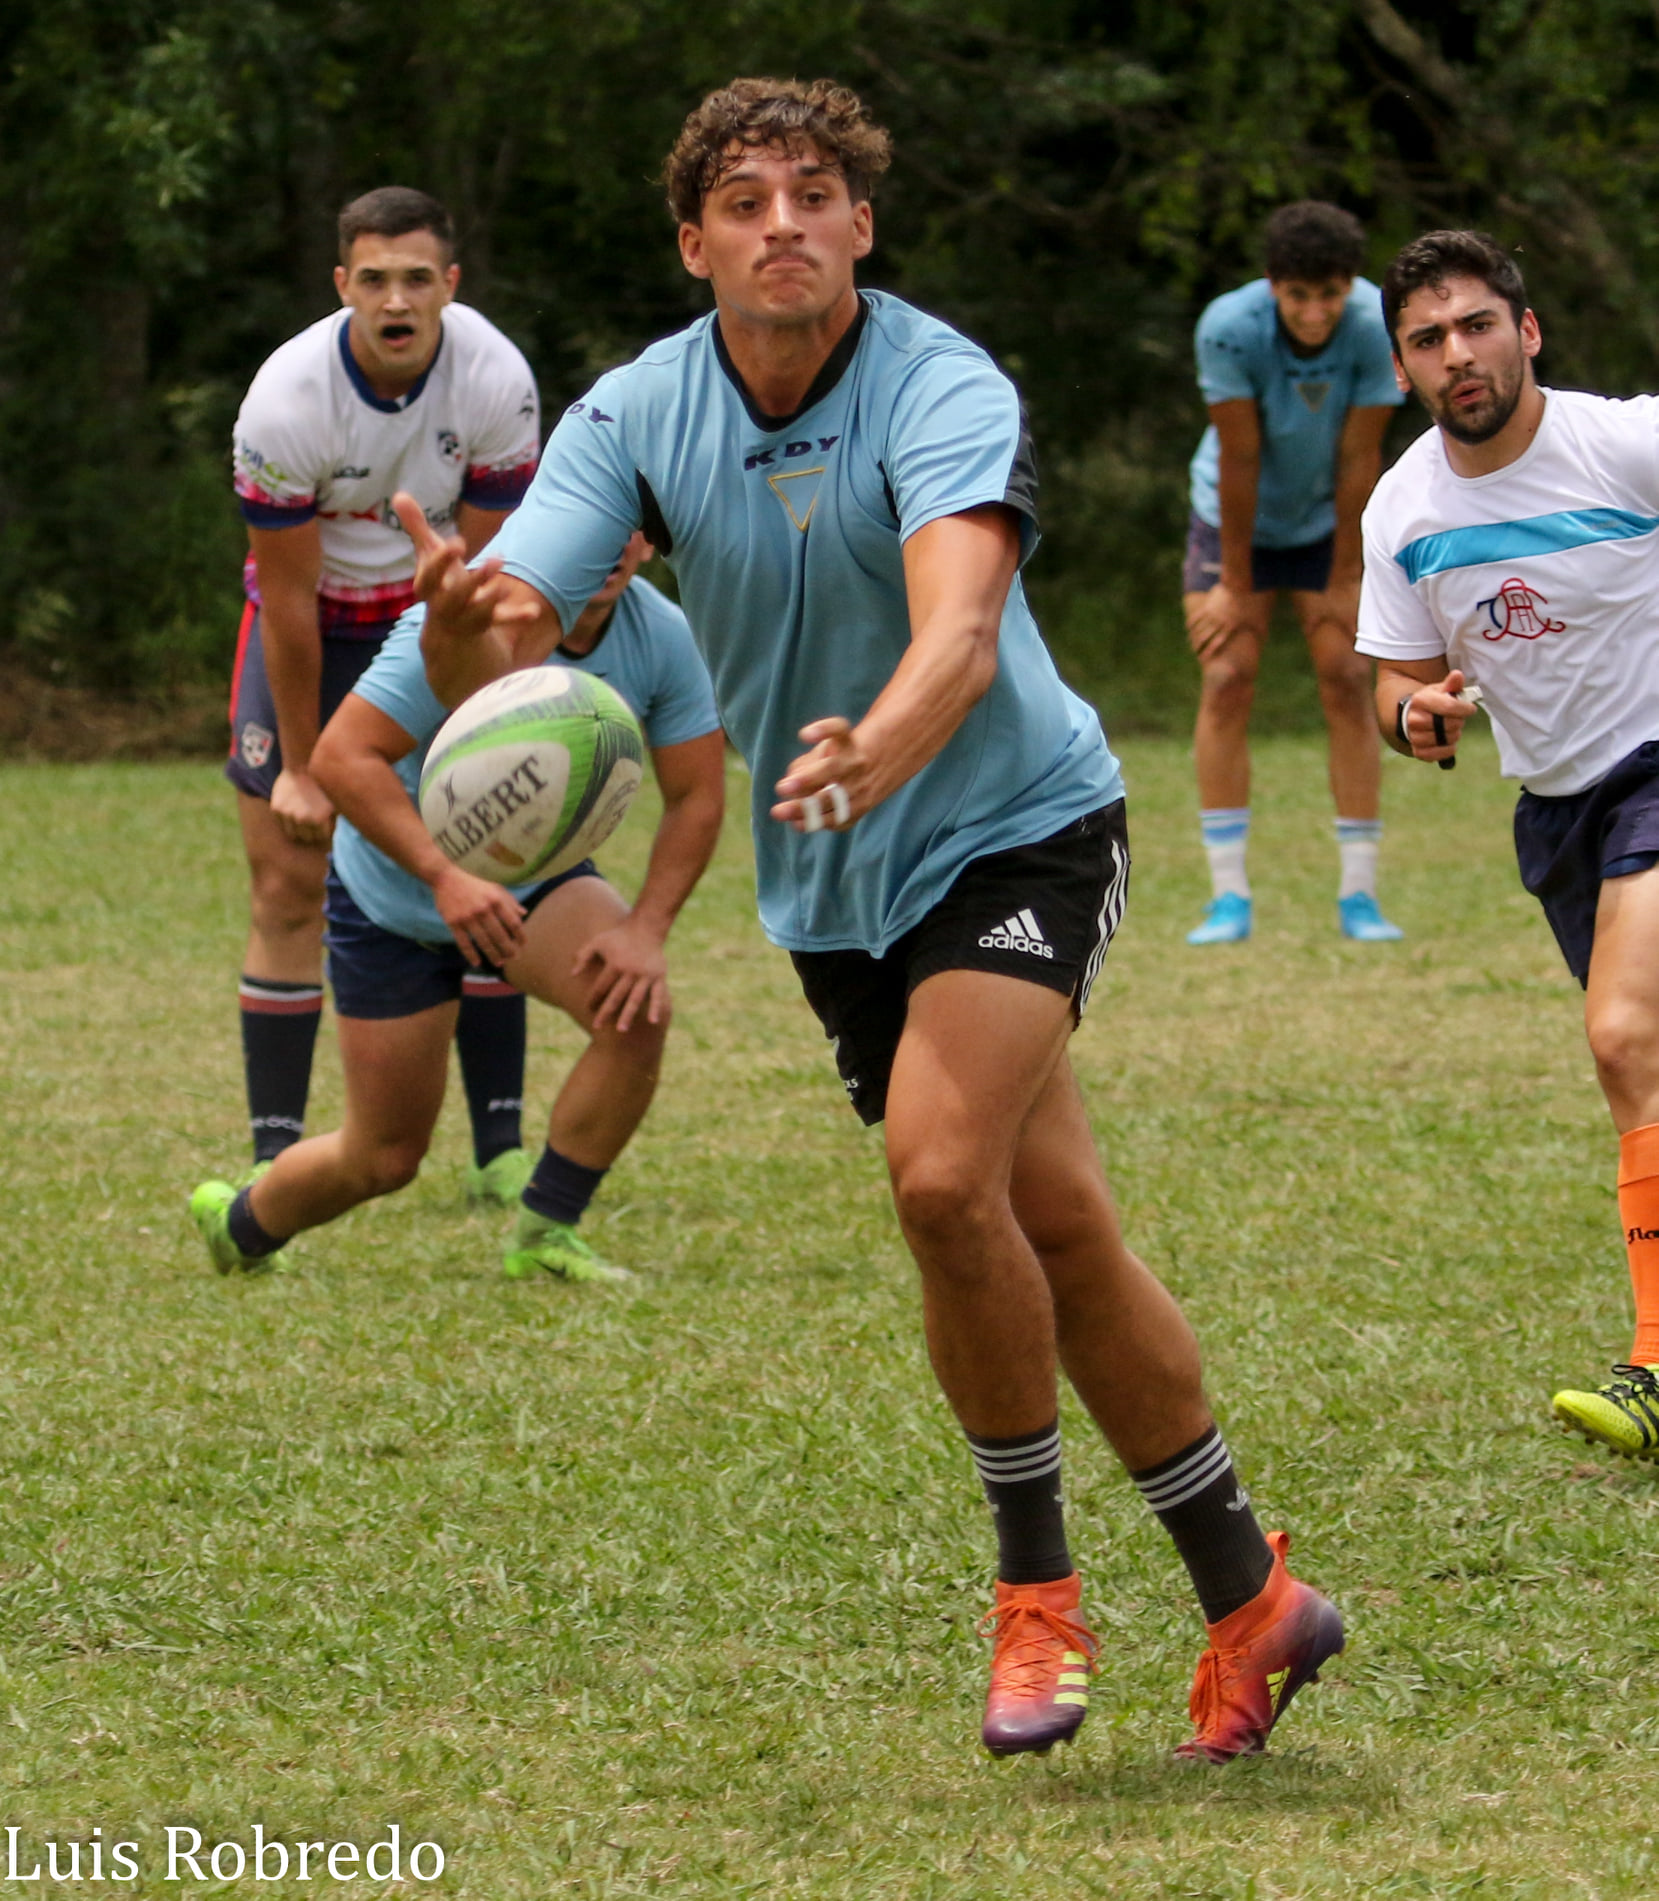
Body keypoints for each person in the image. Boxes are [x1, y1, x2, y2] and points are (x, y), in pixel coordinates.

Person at [396, 76, 1343, 1762]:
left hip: (1015, 827)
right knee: (1053, 1224)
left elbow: (958, 631)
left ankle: (1032, 1594)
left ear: (859, 225)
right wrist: (463, 622)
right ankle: (1250, 1596)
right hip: (832, 887)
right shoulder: (636, 412)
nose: (782, 223)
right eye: (743, 201)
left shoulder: (937, 381)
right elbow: (515, 627)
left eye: (812, 194)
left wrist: (878, 747)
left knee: (937, 1176)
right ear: (692, 244)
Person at [190, 533, 725, 1281]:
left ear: (648, 539)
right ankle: (241, 1224)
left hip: (527, 884)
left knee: (632, 1011)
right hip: (393, 895)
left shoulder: (663, 633)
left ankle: (544, 1233)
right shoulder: (467, 618)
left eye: (627, 524)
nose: (608, 543)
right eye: (595, 521)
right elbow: (341, 758)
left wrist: (645, 929)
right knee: (384, 1157)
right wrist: (445, 876)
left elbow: (697, 795)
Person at [1358, 228, 1659, 1461]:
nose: (1458, 353)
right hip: (1558, 809)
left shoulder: (1624, 445)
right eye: (1429, 339)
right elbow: (1393, 681)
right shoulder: (1405, 507)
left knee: (1623, 1035)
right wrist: (1414, 716)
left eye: (1478, 325)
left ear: (1526, 332)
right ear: (1403, 368)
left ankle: (1655, 1363)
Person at [227, 185, 543, 1204]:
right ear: (341, 285)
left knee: (485, 855)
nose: (395, 300)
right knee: (287, 881)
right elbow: (287, 601)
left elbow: (491, 577)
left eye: (415, 278)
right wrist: (306, 767)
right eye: (373, 279)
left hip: (433, 624)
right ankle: (275, 1154)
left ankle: (500, 1151)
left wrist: (464, 676)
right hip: (314, 627)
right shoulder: (285, 399)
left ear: (450, 283)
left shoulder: (496, 377)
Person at [1183, 202, 1406, 945]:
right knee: (1226, 676)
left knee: (1347, 674)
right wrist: (1233, 582)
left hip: (1323, 518)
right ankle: (1228, 898)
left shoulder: (1377, 322)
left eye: (1330, 294)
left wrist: (1347, 574)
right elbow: (1239, 456)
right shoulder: (1228, 326)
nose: (1315, 313)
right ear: (1272, 285)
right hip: (1232, 516)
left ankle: (1359, 895)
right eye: (1298, 295)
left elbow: (1359, 456)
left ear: (1349, 287)